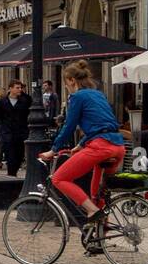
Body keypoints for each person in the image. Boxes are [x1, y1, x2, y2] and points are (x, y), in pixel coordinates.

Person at [40, 60, 126, 226]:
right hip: (118, 146)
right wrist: (80, 145)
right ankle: (99, 237)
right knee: (97, 194)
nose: (66, 87)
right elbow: (104, 124)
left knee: (59, 178)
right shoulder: (98, 94)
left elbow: (69, 126)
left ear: (72, 80)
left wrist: (53, 150)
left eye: (66, 83)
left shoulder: (76, 97)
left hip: (100, 147)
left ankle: (92, 211)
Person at [0, 79, 30, 177]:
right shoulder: (2, 102)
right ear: (10, 88)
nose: (20, 89)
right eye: (17, 88)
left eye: (20, 88)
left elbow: (29, 104)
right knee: (10, 157)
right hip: (7, 134)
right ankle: (11, 175)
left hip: (20, 134)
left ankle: (13, 174)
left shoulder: (24, 101)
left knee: (19, 157)